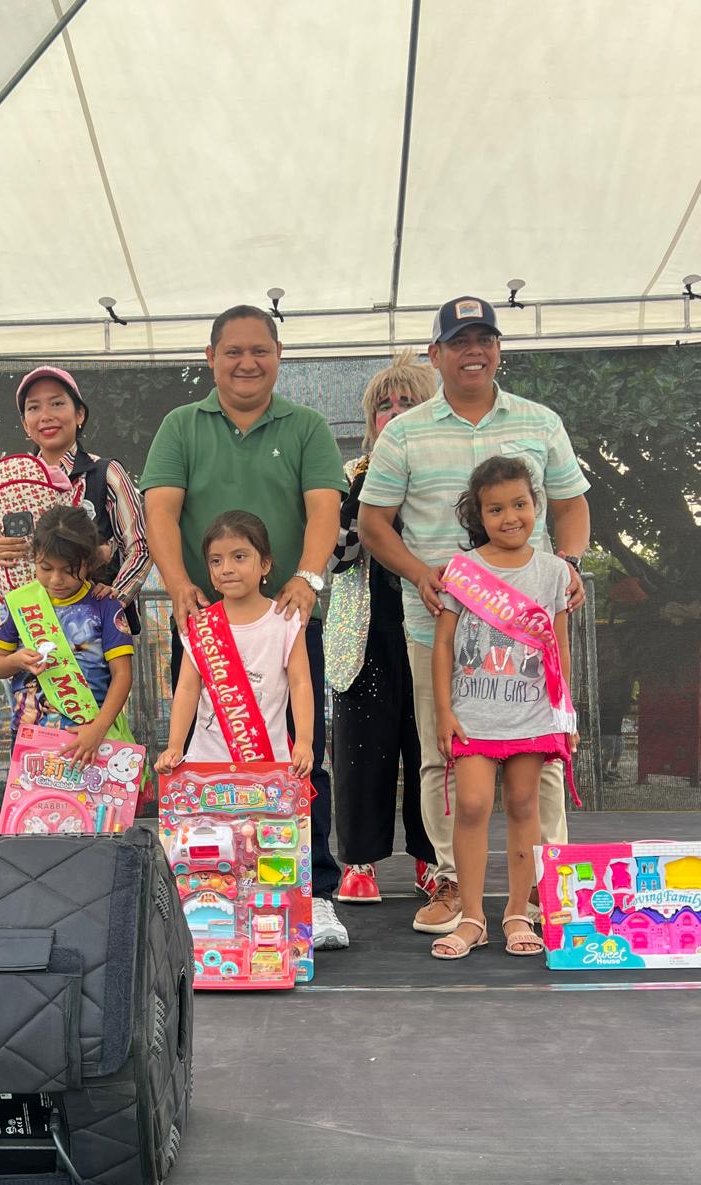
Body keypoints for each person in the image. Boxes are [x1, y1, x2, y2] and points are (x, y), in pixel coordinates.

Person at [359, 296, 590, 935]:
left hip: (529, 633)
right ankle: (453, 885)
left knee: (541, 758)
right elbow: (373, 524)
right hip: (439, 627)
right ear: (435, 355)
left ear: (499, 349)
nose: (474, 351)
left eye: (484, 339)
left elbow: (572, 505)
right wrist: (417, 572)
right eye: (460, 341)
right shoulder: (404, 432)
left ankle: (546, 887)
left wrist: (569, 563)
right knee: (443, 755)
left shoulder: (541, 421)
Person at [141, 305, 348, 949]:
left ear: (279, 356)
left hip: (287, 617)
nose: (247, 363)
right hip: (205, 623)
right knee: (199, 759)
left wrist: (308, 577)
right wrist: (180, 583)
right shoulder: (181, 425)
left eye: (260, 350)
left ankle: (313, 893)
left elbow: (325, 507)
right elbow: (160, 510)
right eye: (233, 351)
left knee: (300, 758)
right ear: (211, 358)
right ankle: (200, 894)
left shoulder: (307, 426)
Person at [430, 457, 578, 959]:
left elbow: (559, 644)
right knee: (472, 805)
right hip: (473, 713)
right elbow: (443, 644)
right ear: (479, 515)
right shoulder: (462, 571)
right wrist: (443, 711)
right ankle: (472, 917)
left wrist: (566, 712)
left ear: (536, 505)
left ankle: (518, 911)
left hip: (532, 713)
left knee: (522, 804)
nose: (510, 517)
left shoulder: (554, 571)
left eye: (519, 504)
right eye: (496, 509)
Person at [326, 352, 437, 904]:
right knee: (359, 750)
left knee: (429, 746)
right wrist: (362, 493)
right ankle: (359, 861)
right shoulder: (350, 475)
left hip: (432, 626)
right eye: (384, 406)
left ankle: (432, 859)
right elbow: (338, 556)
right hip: (364, 632)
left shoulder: (443, 475)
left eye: (407, 403)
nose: (394, 413)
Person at [0, 366, 150, 630]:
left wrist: (116, 596)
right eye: (34, 408)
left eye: (57, 403)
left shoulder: (105, 473)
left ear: (79, 414)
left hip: (92, 627)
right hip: (27, 626)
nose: (46, 416)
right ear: (25, 424)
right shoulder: (8, 482)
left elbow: (140, 546)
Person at [155, 510, 314, 779]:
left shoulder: (286, 621)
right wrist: (175, 745)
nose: (226, 569)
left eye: (239, 557)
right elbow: (187, 688)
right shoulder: (201, 624)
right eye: (216, 560)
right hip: (207, 764)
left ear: (265, 563)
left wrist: (304, 742)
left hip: (267, 763)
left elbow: (301, 683)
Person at [0, 506, 134, 764]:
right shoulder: (19, 603)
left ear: (88, 562)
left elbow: (122, 675)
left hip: (91, 738)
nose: (56, 579)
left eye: (68, 570)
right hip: (32, 737)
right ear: (34, 557)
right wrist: (16, 661)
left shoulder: (105, 606)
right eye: (46, 568)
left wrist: (97, 730)